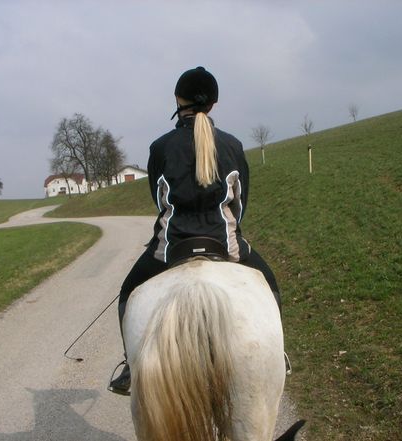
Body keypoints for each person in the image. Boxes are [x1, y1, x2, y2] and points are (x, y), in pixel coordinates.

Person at [108, 66, 282, 395]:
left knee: (128, 293)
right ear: (213, 104)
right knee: (270, 287)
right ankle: (278, 356)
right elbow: (240, 204)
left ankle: (131, 367)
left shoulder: (160, 148)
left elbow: (159, 202)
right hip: (225, 244)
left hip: (171, 248)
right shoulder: (232, 144)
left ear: (178, 99)